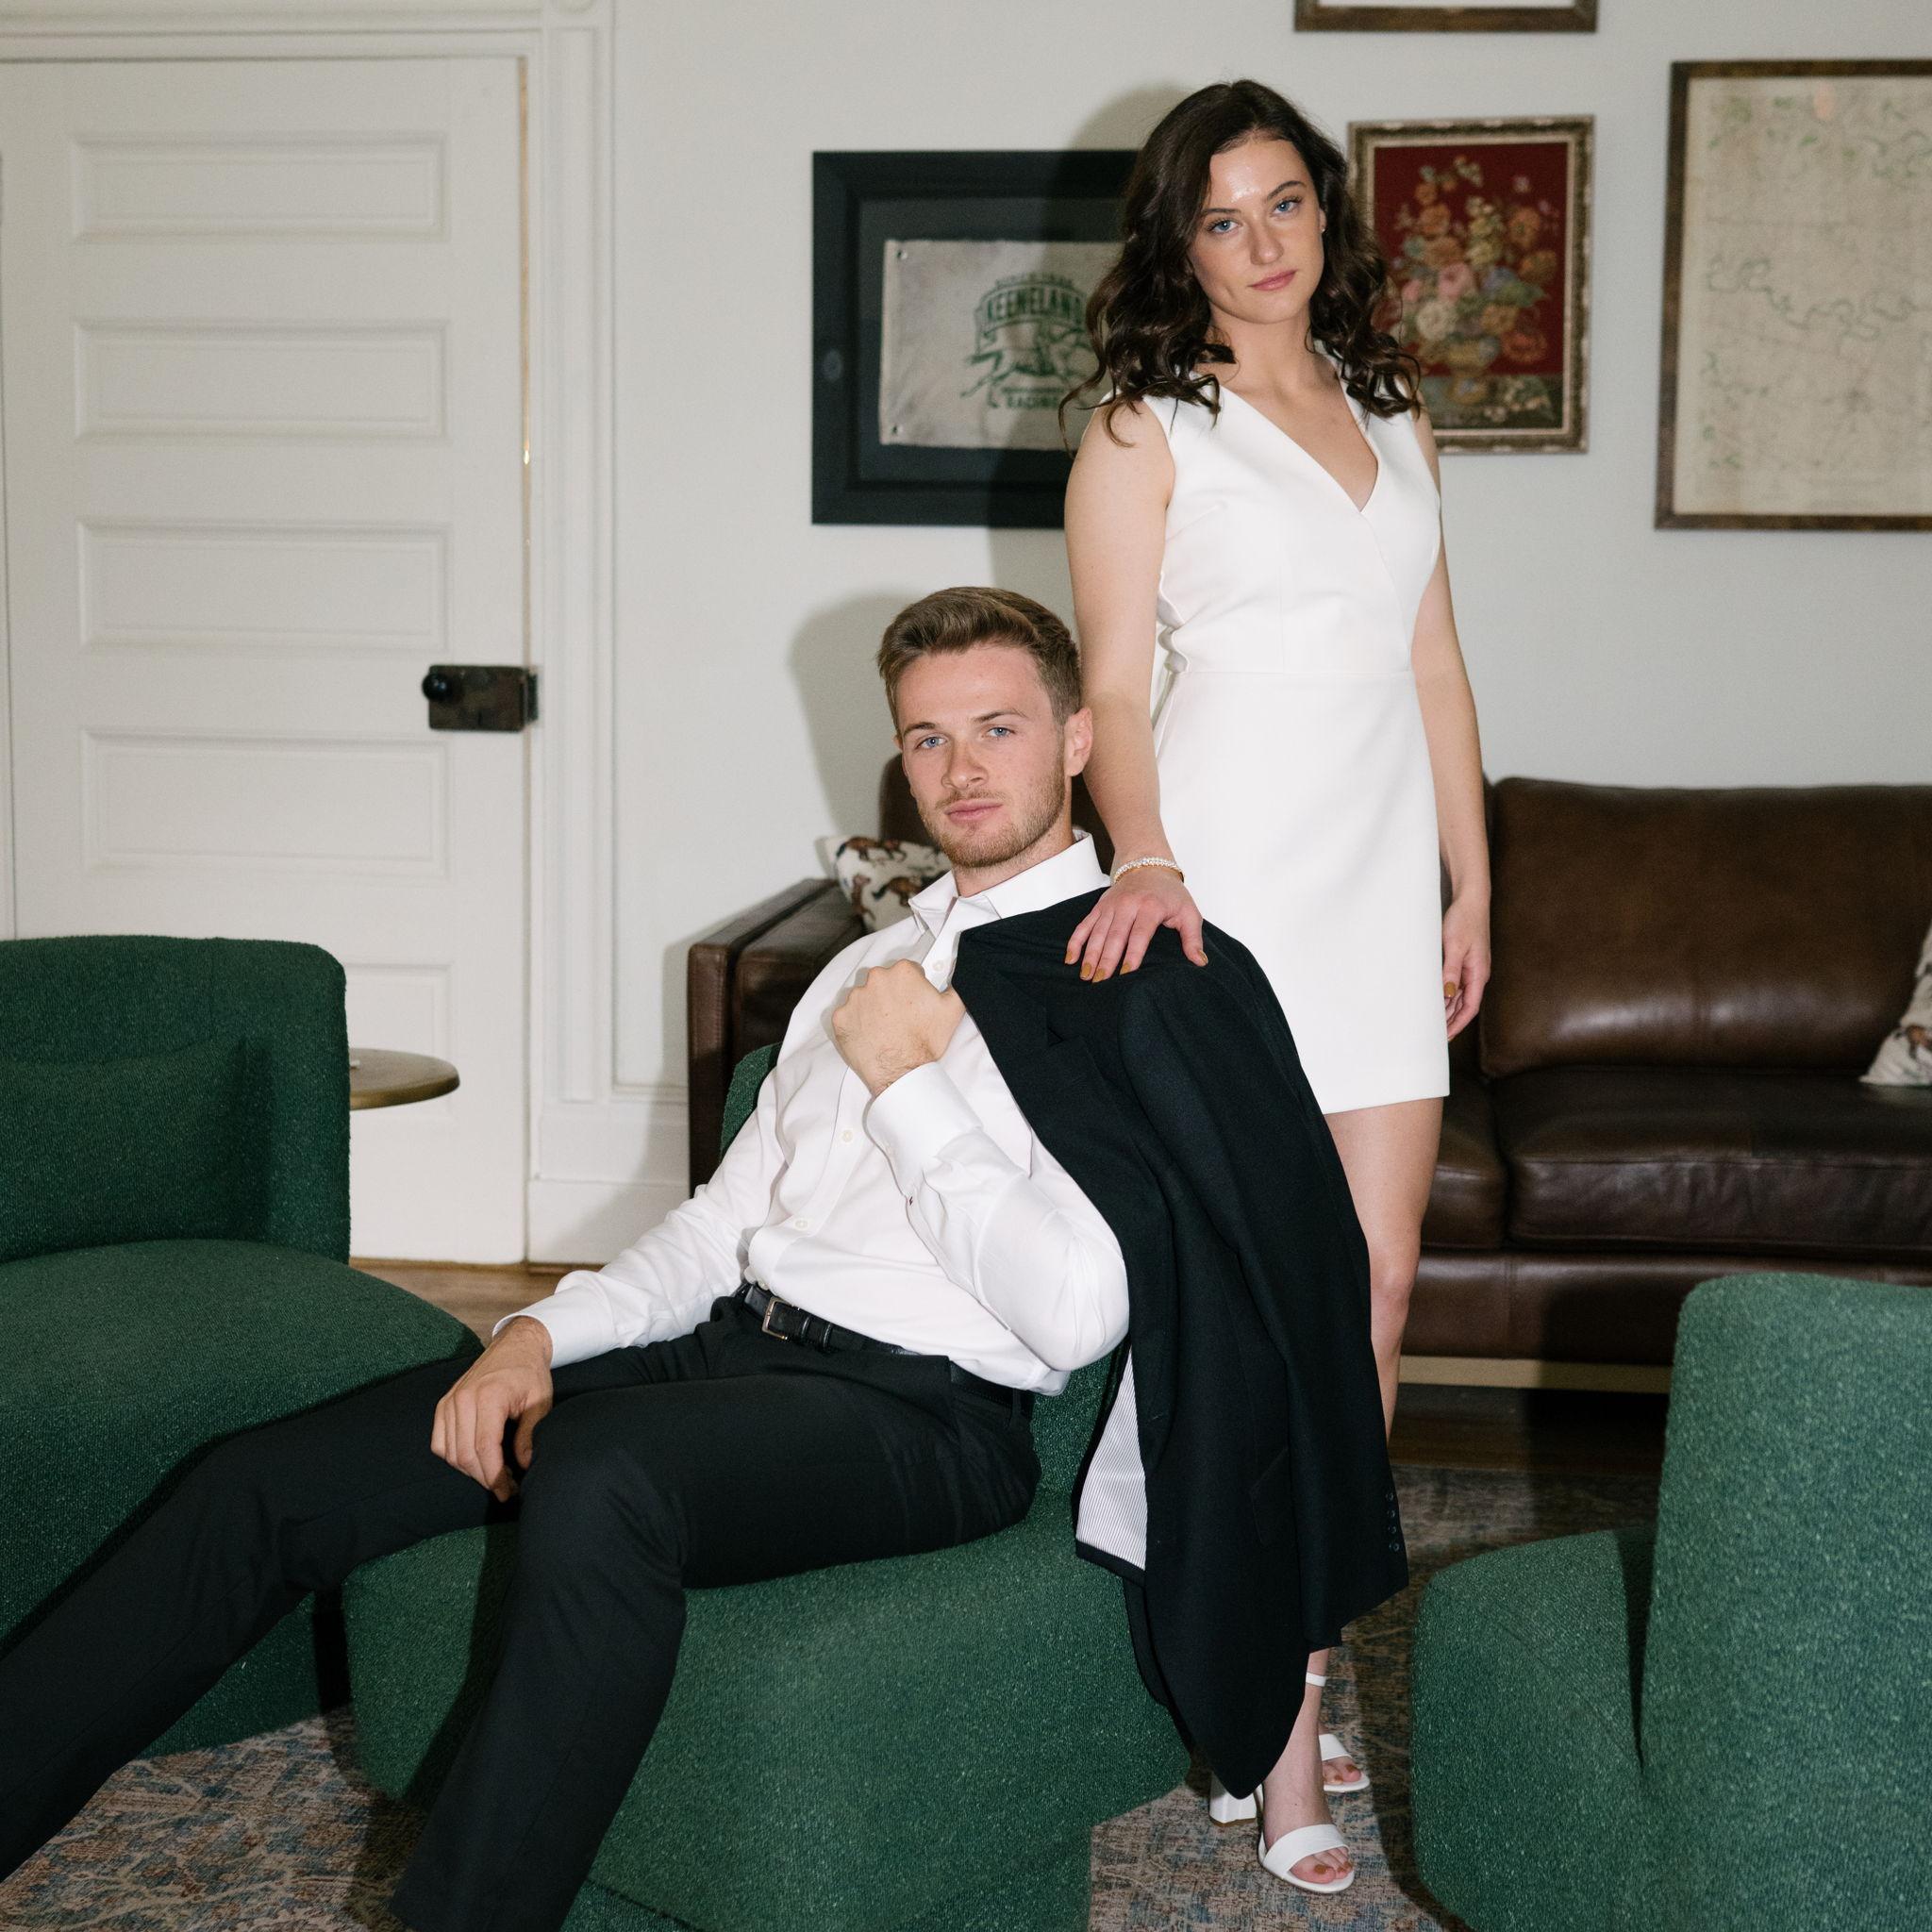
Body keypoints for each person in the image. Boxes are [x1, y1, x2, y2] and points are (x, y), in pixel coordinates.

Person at [0, 589, 1132, 1932]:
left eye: (998, 728)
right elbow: (720, 1229)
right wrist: (535, 1336)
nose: (961, 769)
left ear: (1075, 739)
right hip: (733, 1350)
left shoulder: (1118, 983)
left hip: (926, 1419)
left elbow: (1076, 1314)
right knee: (260, 1485)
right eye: (928, 738)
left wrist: (910, 1085)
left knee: (602, 1470)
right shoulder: (867, 970)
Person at [1059, 77, 1494, 1890]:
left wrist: (1474, 878)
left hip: (1378, 893)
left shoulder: (1395, 411)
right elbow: (1114, 689)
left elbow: (1437, 667)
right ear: (1181, 244)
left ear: (1328, 211)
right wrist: (1148, 859)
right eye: (1221, 218)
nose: (1262, 244)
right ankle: (1273, 1730)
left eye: (1286, 204)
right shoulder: (1142, 427)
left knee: (1375, 1301)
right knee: (1259, 1314)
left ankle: (1288, 1674)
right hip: (1227, 891)